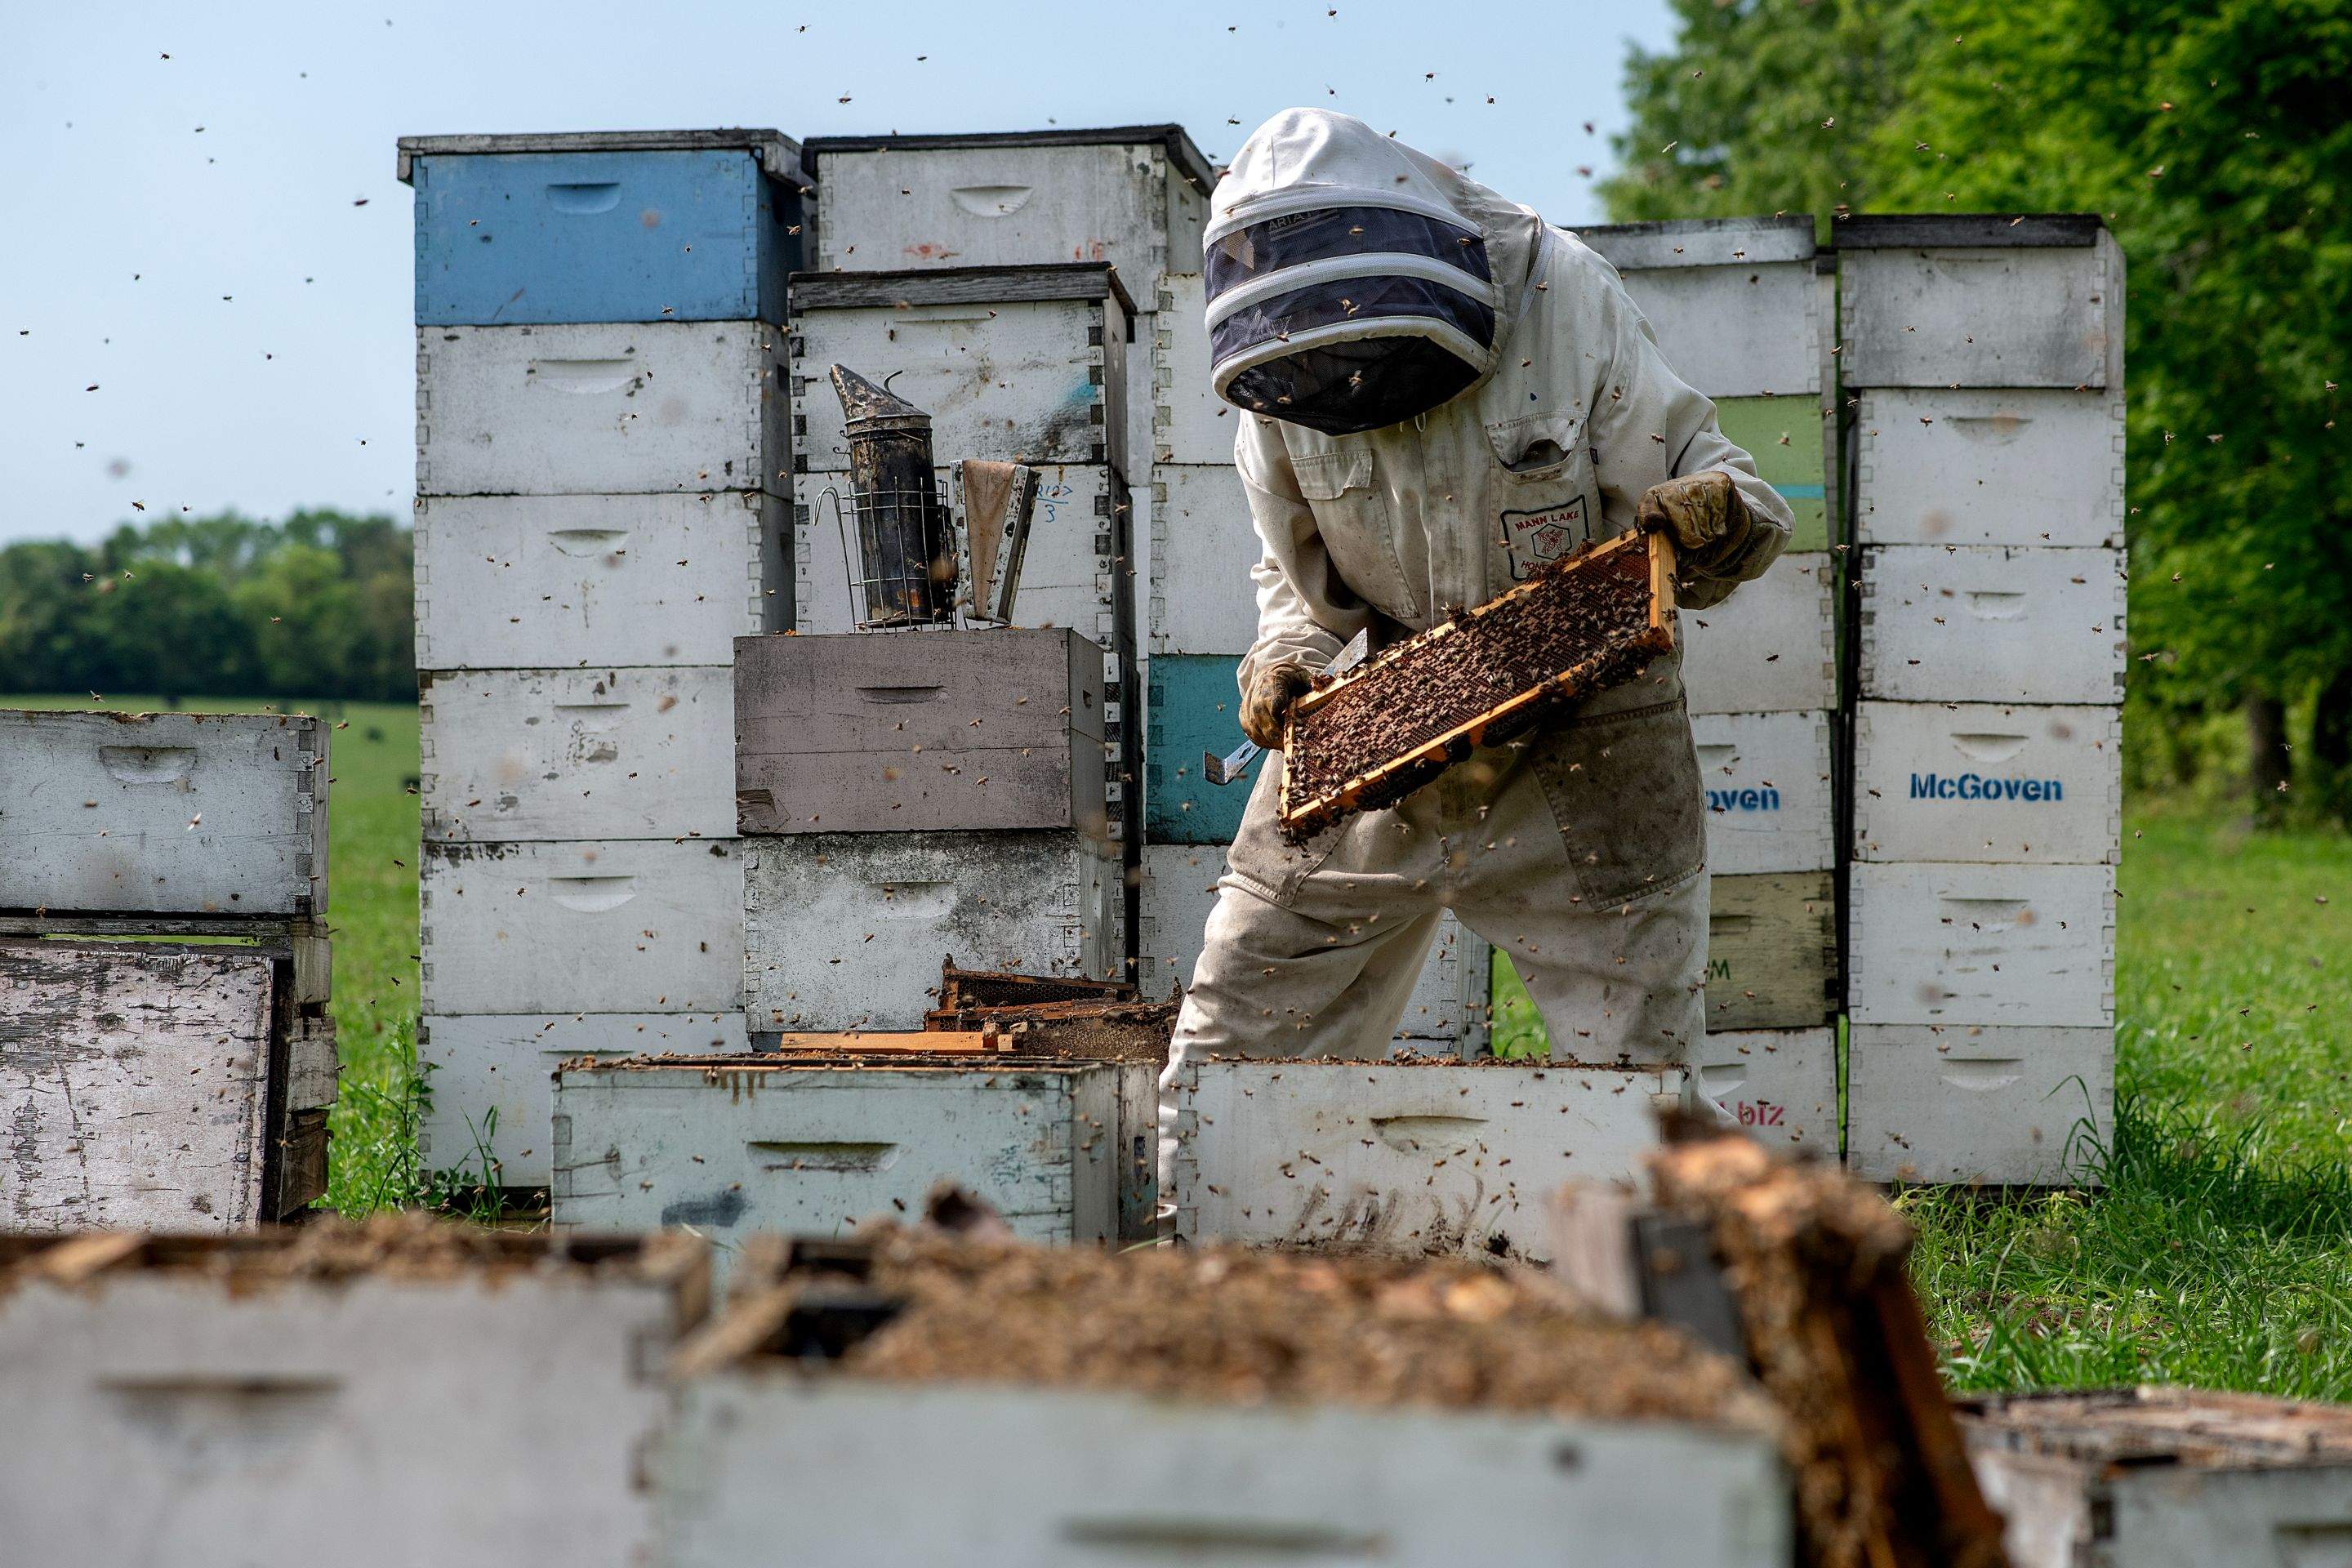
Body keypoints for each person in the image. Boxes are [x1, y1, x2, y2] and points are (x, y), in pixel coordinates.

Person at [1165, 108, 1793, 1118]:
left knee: (1638, 1093)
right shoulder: (1282, 372)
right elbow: (1297, 582)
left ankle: (1649, 1231)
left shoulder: (1561, 293)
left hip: (1588, 741)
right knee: (1231, 1047)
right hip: (1379, 737)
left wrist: (1717, 514)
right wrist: (1283, 657)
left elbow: (1715, 480)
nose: (1352, 388)